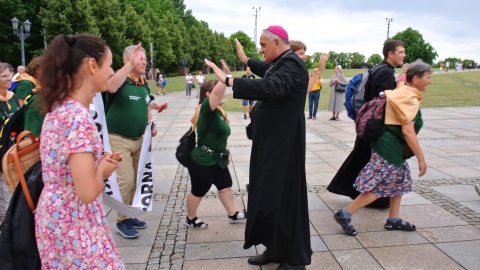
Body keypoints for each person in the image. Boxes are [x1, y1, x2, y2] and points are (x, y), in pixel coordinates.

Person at [217, 25, 311, 269]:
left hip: (284, 146)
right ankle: (275, 248)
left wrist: (229, 80)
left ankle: (294, 258)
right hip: (272, 143)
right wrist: (246, 60)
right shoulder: (283, 62)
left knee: (283, 197)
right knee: (269, 195)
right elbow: (268, 69)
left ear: (277, 44)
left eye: (263, 45)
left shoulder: (292, 64)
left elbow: (272, 86)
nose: (260, 50)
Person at [35, 33, 125, 269]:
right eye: (109, 64)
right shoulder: (78, 118)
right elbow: (86, 192)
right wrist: (102, 171)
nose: (112, 71)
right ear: (92, 65)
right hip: (74, 220)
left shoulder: (59, 107)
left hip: (54, 216)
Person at [334, 59, 431, 236]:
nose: (430, 81)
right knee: (379, 186)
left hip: (389, 144)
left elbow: (401, 83)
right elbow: (408, 131)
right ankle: (345, 214)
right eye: (428, 77)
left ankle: (393, 219)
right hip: (389, 148)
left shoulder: (403, 89)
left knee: (399, 182)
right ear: (416, 78)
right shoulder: (409, 97)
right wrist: (421, 158)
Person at [327, 40, 406, 208]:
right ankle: (370, 196)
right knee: (369, 159)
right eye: (401, 52)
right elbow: (385, 100)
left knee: (361, 156)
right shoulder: (385, 72)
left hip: (368, 120)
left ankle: (352, 190)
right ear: (390, 53)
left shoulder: (378, 68)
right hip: (376, 124)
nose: (403, 55)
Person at [105, 44, 166, 239]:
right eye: (139, 58)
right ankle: (121, 220)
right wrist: (128, 66)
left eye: (145, 58)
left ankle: (130, 215)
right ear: (127, 60)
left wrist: (151, 124)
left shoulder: (142, 83)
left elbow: (146, 104)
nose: (144, 61)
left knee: (137, 180)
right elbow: (110, 87)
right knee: (126, 180)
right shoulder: (120, 81)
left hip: (139, 139)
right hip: (119, 140)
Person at [183, 59, 246, 229]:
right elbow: (218, 93)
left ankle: (232, 213)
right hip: (203, 160)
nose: (222, 94)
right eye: (217, 91)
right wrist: (225, 75)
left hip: (218, 158)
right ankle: (190, 217)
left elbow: (221, 137)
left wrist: (226, 153)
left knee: (225, 186)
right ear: (208, 95)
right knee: (198, 191)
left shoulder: (218, 111)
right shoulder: (206, 109)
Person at [290, 40, 328, 121]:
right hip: (287, 118)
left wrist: (319, 72)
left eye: (304, 53)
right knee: (311, 105)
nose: (305, 56)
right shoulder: (289, 71)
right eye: (301, 53)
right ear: (290, 54)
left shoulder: (299, 70)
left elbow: (304, 90)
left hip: (295, 116)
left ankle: (313, 115)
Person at [0, 62, 16, 223]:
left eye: (10, 75)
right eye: (4, 76)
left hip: (10, 149)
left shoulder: (12, 97)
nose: (9, 78)